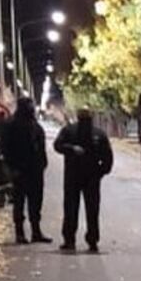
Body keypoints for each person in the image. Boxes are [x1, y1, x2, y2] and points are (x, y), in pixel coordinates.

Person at [54, 107, 114, 253]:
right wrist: (101, 172)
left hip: (75, 176)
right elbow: (108, 157)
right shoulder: (98, 134)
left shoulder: (69, 131)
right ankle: (91, 241)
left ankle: (70, 240)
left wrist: (70, 149)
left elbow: (58, 145)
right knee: (91, 210)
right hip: (89, 177)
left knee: (71, 209)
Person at [4, 98, 52, 244]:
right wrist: (12, 168)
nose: (31, 108)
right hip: (20, 171)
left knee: (36, 202)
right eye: (29, 106)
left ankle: (36, 232)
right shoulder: (12, 124)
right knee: (19, 203)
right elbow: (6, 148)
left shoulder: (35, 125)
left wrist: (43, 164)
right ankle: (20, 233)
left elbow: (41, 146)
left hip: (35, 171)